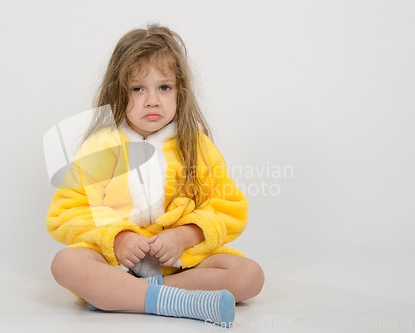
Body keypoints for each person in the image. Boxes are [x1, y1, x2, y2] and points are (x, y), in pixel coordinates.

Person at [46, 23, 264, 327]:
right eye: (138, 89)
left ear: (180, 91)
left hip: (182, 266)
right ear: (118, 92)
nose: (152, 100)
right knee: (66, 264)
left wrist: (186, 235)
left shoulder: (195, 145)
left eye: (164, 87)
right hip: (114, 263)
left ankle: (120, 297)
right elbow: (66, 212)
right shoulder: (101, 147)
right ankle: (174, 300)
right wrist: (118, 238)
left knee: (249, 275)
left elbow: (228, 206)